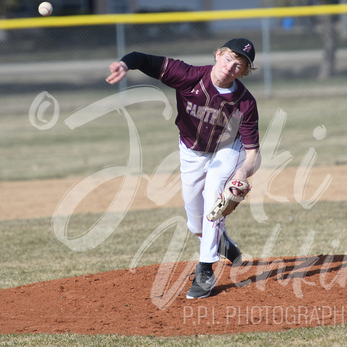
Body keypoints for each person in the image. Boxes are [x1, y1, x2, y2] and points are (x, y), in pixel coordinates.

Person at [106, 38, 261, 299]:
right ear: (217, 55)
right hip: (191, 151)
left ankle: (205, 270)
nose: (230, 67)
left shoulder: (244, 102)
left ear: (244, 72)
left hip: (226, 150)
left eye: (239, 66)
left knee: (214, 195)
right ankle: (221, 241)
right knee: (195, 222)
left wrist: (242, 172)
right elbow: (143, 58)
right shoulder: (188, 76)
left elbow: (253, 153)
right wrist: (124, 64)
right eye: (228, 59)